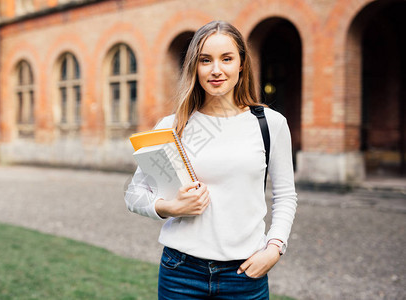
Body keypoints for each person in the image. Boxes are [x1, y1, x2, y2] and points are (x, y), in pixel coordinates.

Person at [125, 20, 297, 299]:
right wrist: (171, 206)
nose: (216, 70)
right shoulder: (172, 126)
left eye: (226, 58)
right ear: (195, 66)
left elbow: (286, 195)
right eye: (206, 60)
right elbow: (134, 195)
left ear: (241, 63)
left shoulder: (270, 124)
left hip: (245, 274)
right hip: (181, 273)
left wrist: (275, 248)